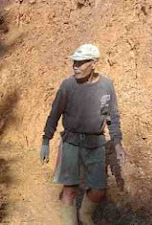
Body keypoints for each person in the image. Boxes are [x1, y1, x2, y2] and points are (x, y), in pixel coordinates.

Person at [39, 44, 126, 225]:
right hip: (71, 142)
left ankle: (85, 215)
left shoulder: (106, 86)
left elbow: (111, 116)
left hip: (96, 143)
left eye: (81, 63)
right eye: (74, 63)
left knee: (98, 190)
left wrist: (117, 144)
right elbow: (55, 113)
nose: (75, 67)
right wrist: (46, 140)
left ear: (94, 63)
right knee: (70, 189)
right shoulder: (68, 85)